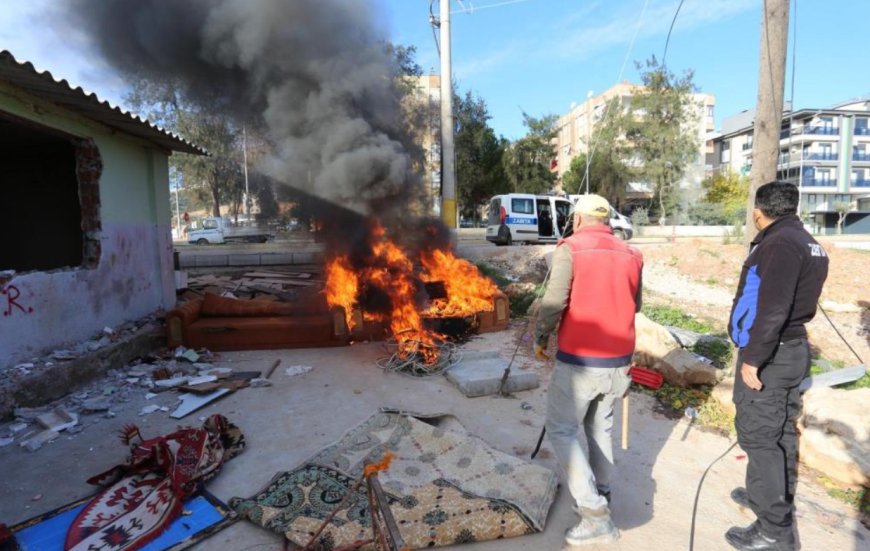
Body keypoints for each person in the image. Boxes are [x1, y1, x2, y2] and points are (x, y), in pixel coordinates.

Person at [534, 194, 643, 546]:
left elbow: (554, 301)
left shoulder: (571, 248)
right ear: (607, 220)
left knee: (562, 429)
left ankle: (595, 514)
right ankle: (603, 490)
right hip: (619, 361)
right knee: (599, 428)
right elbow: (635, 303)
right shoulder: (632, 253)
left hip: (581, 360)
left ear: (578, 219)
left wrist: (541, 336)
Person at [726, 181, 828, 551]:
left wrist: (753, 358)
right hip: (789, 348)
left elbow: (774, 308)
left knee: (759, 436)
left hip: (773, 353)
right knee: (779, 432)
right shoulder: (805, 241)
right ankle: (767, 497)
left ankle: (773, 530)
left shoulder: (780, 244)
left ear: (759, 212)